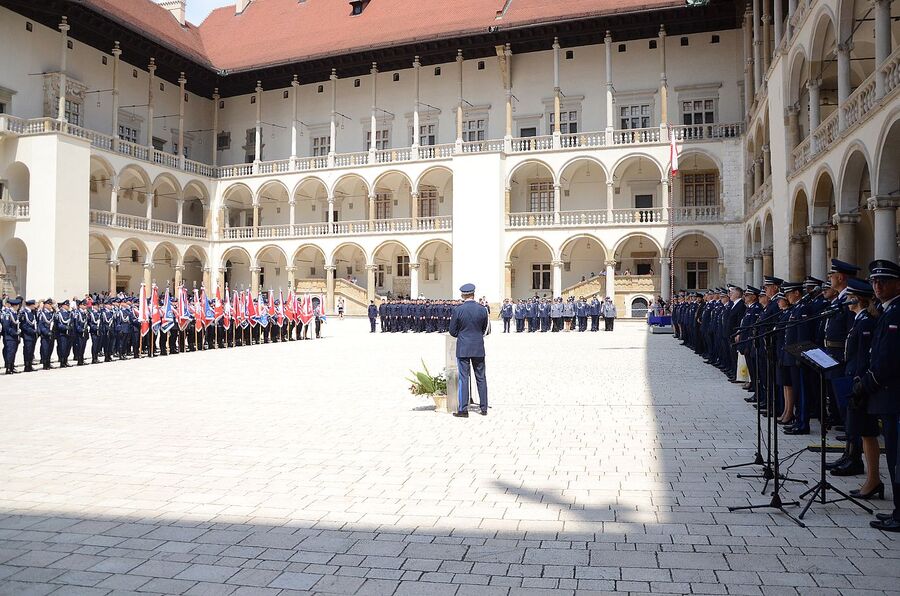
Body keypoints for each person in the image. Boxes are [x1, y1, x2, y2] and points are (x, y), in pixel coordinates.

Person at [852, 259, 900, 532]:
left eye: (884, 281)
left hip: (891, 393)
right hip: (884, 393)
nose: (878, 285)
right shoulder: (886, 311)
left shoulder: (894, 314)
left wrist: (867, 383)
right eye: (874, 281)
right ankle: (897, 509)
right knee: (893, 453)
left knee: (896, 454)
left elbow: (888, 359)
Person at [449, 283, 488, 418]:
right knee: (481, 377)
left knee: (463, 378)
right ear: (474, 294)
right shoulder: (483, 309)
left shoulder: (458, 310)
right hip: (478, 347)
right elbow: (485, 329)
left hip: (463, 347)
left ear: (462, 295)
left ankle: (463, 409)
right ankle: (483, 407)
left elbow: (452, 331)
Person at [1, 297, 22, 374]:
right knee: (10, 352)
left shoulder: (15, 313)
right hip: (9, 337)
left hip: (15, 337)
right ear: (15, 306)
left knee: (13, 352)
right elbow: (6, 326)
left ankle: (12, 366)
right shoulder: (8, 313)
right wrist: (14, 333)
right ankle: (8, 368)